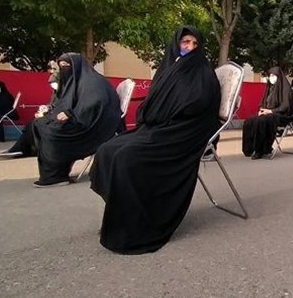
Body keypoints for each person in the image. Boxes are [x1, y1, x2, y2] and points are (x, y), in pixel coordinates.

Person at [90, 26, 221, 255]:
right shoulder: (169, 68)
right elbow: (152, 102)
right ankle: (122, 214)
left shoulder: (203, 71)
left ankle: (143, 222)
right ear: (176, 44)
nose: (190, 47)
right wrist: (158, 114)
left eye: (195, 43)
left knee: (126, 157)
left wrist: (167, 113)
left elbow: (199, 104)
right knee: (107, 150)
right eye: (185, 42)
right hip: (158, 127)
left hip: (187, 130)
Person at [30, 52, 121, 188]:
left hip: (94, 124)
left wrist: (70, 113)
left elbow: (95, 102)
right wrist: (49, 110)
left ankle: (55, 176)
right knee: (39, 123)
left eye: (67, 65)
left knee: (52, 132)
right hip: (79, 119)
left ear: (78, 65)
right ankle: (58, 171)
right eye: (61, 66)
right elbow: (63, 102)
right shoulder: (73, 82)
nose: (64, 69)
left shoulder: (93, 82)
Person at [0, 61, 60, 157]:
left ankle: (26, 149)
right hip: (53, 116)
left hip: (62, 118)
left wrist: (46, 112)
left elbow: (64, 106)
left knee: (35, 124)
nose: (53, 85)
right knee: (32, 123)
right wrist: (45, 109)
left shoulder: (67, 91)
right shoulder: (56, 93)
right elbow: (52, 104)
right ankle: (20, 149)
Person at [241, 67, 293, 159]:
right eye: (270, 75)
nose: (271, 78)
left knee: (262, 121)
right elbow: (263, 103)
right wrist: (261, 110)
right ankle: (250, 149)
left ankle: (262, 150)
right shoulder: (269, 88)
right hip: (268, 114)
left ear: (279, 76)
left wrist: (271, 111)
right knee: (249, 121)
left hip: (282, 115)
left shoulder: (286, 89)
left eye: (273, 75)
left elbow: (285, 106)